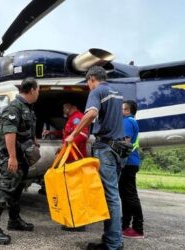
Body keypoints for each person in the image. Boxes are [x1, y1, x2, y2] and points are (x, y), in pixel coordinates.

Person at [66, 66, 124, 250]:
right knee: (112, 196)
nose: (88, 86)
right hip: (119, 148)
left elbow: (91, 113)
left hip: (106, 147)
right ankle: (111, 240)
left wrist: (73, 134)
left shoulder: (98, 91)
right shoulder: (117, 93)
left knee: (111, 196)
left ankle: (113, 244)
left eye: (87, 82)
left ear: (91, 78)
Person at [0, 77, 40, 245]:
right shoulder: (14, 107)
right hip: (12, 156)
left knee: (17, 188)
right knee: (5, 188)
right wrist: (12, 157)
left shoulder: (27, 108)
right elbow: (9, 133)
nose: (38, 93)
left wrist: (33, 141)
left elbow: (26, 129)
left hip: (23, 156)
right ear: (31, 90)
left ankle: (14, 220)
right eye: (38, 90)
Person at [44, 101, 89, 232]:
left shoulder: (78, 118)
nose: (63, 110)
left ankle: (79, 224)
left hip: (75, 160)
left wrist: (65, 146)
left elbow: (82, 135)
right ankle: (73, 221)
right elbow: (66, 133)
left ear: (70, 106)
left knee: (76, 192)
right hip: (69, 161)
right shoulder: (72, 119)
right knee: (71, 191)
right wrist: (52, 134)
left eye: (64, 107)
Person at [119, 100, 144, 239]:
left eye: (122, 109)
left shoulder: (127, 121)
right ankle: (125, 226)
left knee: (130, 196)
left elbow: (125, 143)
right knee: (125, 195)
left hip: (128, 163)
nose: (120, 111)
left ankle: (138, 228)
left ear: (128, 111)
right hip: (132, 163)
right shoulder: (132, 121)